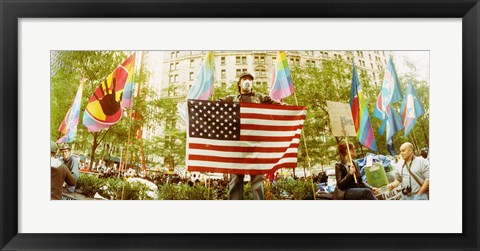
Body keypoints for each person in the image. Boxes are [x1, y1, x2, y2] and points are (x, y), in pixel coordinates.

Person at [219, 72, 281, 200]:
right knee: (236, 177)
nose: (248, 81)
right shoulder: (232, 98)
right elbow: (218, 104)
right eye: (245, 79)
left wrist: (291, 108)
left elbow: (275, 105)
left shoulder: (260, 97)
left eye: (250, 79)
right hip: (238, 143)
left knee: (257, 177)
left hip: (255, 141)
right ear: (239, 83)